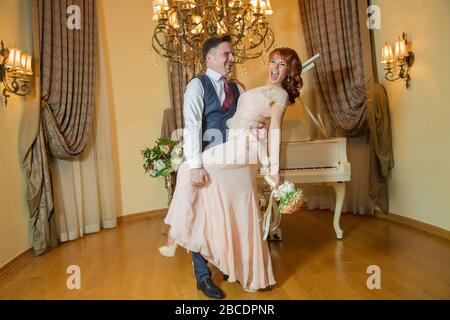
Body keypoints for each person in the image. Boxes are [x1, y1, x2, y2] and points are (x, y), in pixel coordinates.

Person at [161, 45, 303, 298]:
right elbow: (199, 123)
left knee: (236, 209)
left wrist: (274, 170)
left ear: (290, 72)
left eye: (283, 65)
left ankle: (198, 243)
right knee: (211, 203)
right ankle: (208, 273)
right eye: (273, 62)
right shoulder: (203, 85)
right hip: (225, 151)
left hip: (239, 153)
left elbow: (274, 131)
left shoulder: (274, 95)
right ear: (210, 58)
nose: (276, 68)